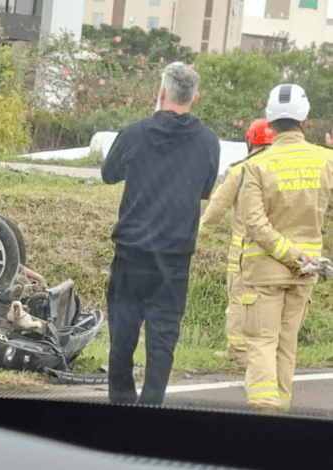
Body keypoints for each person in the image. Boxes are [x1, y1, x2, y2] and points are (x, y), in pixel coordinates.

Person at [101, 62, 220, 405]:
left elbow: (109, 174)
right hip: (175, 258)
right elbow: (204, 191)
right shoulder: (208, 142)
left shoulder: (134, 133)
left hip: (131, 254)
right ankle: (152, 407)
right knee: (163, 340)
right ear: (194, 99)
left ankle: (121, 405)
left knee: (122, 338)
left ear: (162, 93)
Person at [238, 83, 333, 412]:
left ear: (269, 122)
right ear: (305, 121)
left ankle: (265, 411)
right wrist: (305, 257)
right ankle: (284, 417)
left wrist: (288, 254)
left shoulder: (257, 165)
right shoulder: (326, 160)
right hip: (306, 273)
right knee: (286, 343)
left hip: (266, 270)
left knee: (262, 341)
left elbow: (254, 223)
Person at [199, 119, 275, 363]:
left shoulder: (239, 170)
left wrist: (197, 233)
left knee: (239, 302)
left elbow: (214, 212)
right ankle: (271, 351)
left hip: (244, 254)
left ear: (249, 141)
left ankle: (238, 352)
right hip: (280, 253)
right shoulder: (282, 169)